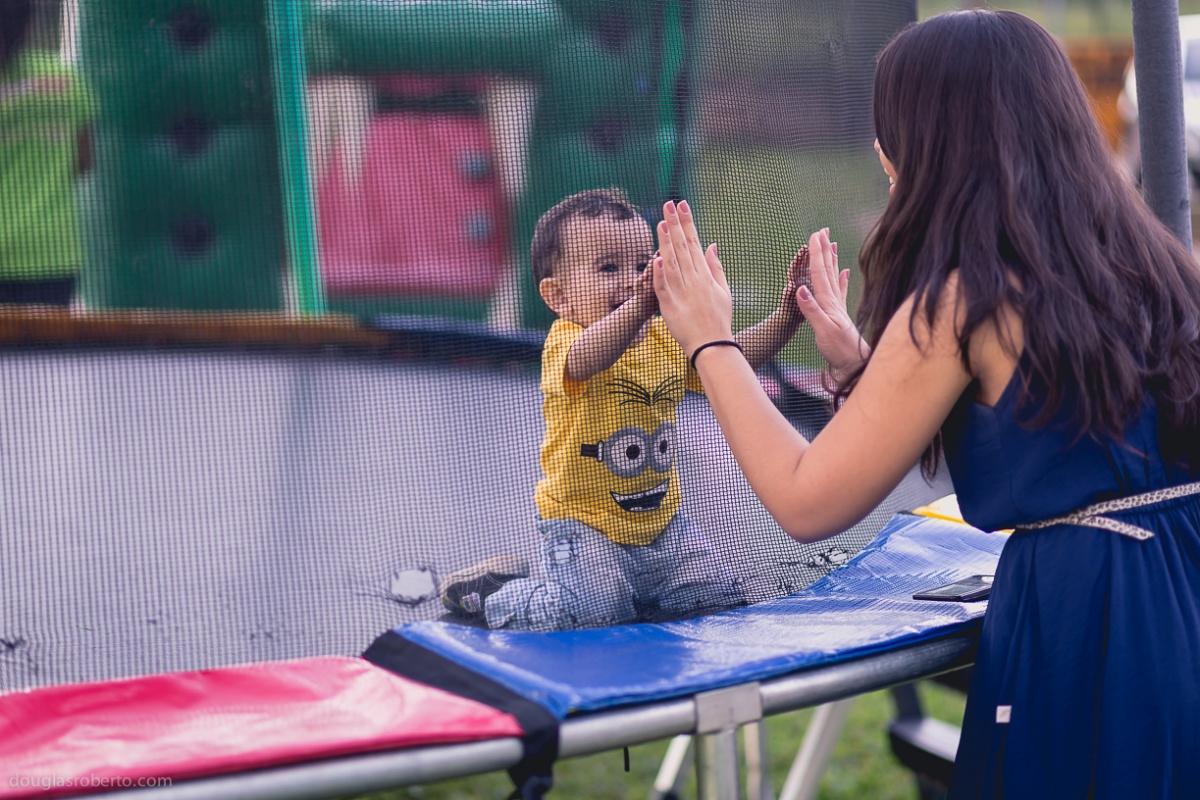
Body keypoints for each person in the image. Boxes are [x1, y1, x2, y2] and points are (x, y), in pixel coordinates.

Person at [652, 10, 1200, 799]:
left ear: (917, 142)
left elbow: (808, 501)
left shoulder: (962, 296)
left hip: (1096, 627)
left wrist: (711, 343)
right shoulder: (1145, 257)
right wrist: (871, 370)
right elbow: (1065, 424)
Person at [440, 188, 809, 631]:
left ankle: (636, 593)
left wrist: (788, 315)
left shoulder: (664, 339)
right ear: (559, 297)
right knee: (595, 614)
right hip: (582, 528)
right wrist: (638, 306)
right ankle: (500, 593)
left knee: (721, 599)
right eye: (608, 267)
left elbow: (730, 357)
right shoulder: (567, 340)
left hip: (664, 527)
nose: (632, 279)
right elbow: (586, 359)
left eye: (640, 265)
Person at [0, 0, 96, 307]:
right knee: (47, 353)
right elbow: (85, 161)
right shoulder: (67, 81)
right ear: (27, 25)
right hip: (55, 252)